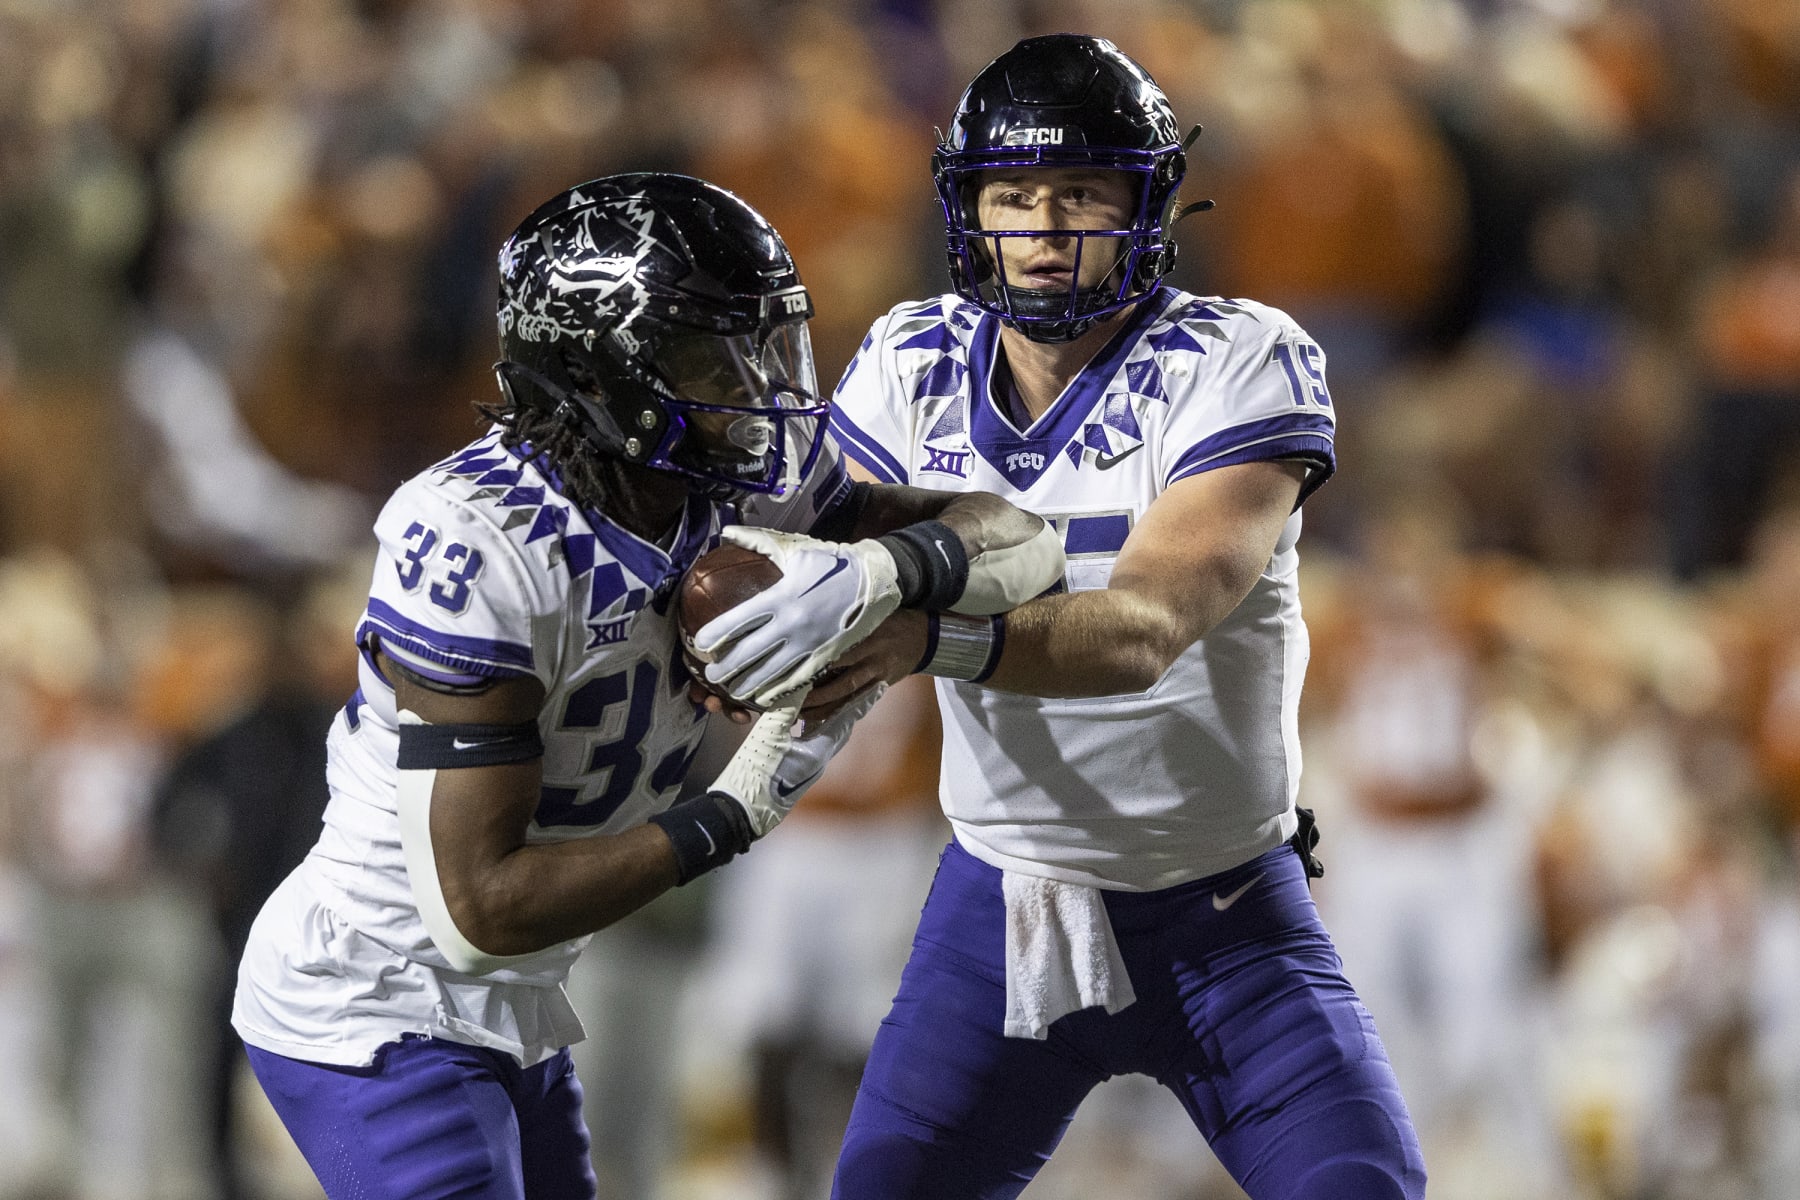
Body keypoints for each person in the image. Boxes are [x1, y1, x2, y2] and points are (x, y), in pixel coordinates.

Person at [230, 173, 1065, 1199]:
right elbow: (478, 907)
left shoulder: (736, 482)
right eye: (709, 355)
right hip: (374, 994)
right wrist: (732, 812)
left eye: (762, 345)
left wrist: (883, 570)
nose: (757, 389)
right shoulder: (478, 539)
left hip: (516, 1004)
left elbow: (1023, 540)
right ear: (601, 368)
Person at [691, 36, 1427, 1200]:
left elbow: (1139, 632)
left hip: (1224, 913)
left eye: (1081, 192)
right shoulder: (911, 357)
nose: (1043, 227)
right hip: (1004, 902)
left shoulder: (1239, 359)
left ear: (1146, 203)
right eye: (1014, 195)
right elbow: (790, 544)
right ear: (969, 209)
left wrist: (923, 631)